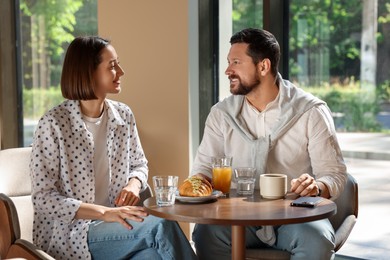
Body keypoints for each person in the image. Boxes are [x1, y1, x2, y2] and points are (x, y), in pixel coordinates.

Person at [29, 36, 197, 260]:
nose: (121, 71)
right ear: (89, 72)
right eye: (112, 66)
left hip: (118, 226)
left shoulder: (123, 115)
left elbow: (139, 163)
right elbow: (43, 198)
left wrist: (134, 185)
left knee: (153, 257)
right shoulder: (54, 123)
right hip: (72, 235)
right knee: (160, 225)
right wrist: (105, 213)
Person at [191, 28, 347, 260]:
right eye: (228, 62)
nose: (228, 70)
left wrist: (316, 186)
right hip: (238, 217)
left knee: (317, 240)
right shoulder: (221, 114)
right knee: (205, 233)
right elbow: (202, 170)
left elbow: (334, 174)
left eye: (236, 62)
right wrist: (198, 183)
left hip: (295, 216)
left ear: (263, 67)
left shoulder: (310, 111)